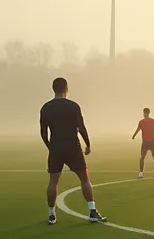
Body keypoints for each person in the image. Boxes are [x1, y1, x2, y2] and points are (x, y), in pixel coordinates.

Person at [41, 77, 106, 225]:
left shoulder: (46, 108)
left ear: (53, 89)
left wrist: (51, 147)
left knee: (53, 182)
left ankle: (51, 215)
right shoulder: (73, 106)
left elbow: (43, 133)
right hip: (73, 147)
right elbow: (81, 127)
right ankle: (92, 211)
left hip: (56, 147)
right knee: (84, 179)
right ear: (66, 88)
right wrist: (88, 144)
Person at [132, 107, 154, 177]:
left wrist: (134, 136)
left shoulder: (142, 122)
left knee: (142, 157)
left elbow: (138, 129)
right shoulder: (153, 121)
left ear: (144, 113)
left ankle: (141, 173)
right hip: (153, 142)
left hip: (146, 142)